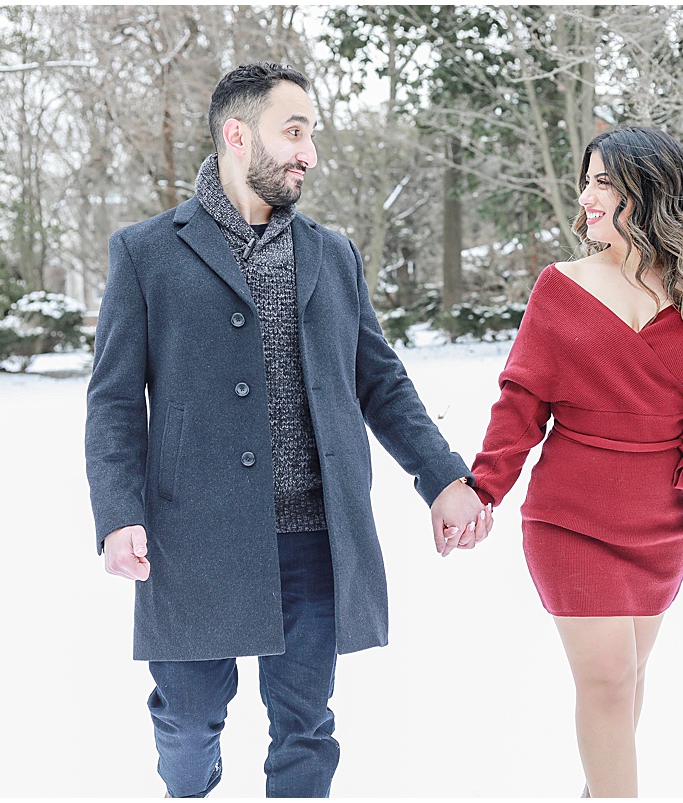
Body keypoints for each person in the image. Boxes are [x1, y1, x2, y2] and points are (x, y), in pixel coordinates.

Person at [85, 62, 492, 799]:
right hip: (193, 542)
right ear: (238, 135)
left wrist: (444, 474)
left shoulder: (332, 255)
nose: (309, 153)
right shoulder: (145, 253)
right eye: (294, 132)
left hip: (313, 538)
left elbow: (380, 379)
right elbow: (112, 401)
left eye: (312, 134)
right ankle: (191, 777)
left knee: (305, 726)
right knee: (188, 721)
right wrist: (118, 514)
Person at [469, 126, 683, 798]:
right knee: (604, 679)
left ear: (648, 192)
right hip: (570, 520)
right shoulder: (559, 287)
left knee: (624, 679)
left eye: (604, 181)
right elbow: (520, 404)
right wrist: (484, 488)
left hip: (660, 525)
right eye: (587, 178)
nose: (586, 195)